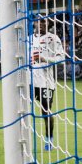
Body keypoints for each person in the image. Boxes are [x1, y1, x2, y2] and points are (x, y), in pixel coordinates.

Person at [31, 17, 66, 151]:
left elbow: (61, 59)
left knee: (46, 111)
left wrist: (44, 58)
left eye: (44, 22)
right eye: (38, 21)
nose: (41, 24)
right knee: (21, 109)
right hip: (29, 80)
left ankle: (49, 140)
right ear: (34, 23)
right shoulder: (29, 39)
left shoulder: (53, 38)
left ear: (48, 24)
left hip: (46, 81)